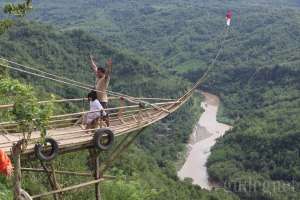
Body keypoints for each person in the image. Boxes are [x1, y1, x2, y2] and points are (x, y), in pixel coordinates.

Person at [90, 55, 112, 126]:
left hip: (103, 100)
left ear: (103, 73)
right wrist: (91, 60)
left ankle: (108, 127)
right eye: (97, 72)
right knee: (95, 114)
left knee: (104, 115)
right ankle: (94, 128)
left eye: (99, 72)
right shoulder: (98, 77)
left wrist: (109, 66)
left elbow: (108, 73)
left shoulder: (105, 79)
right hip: (97, 99)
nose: (97, 73)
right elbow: (94, 67)